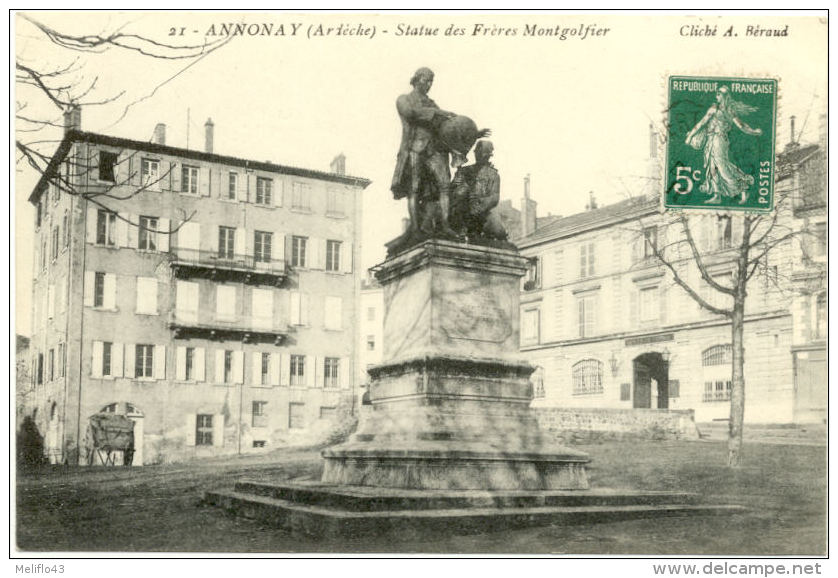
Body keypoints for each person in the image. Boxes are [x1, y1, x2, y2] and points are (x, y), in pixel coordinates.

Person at [391, 67, 487, 239]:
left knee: (444, 185)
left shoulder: (432, 103)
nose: (428, 85)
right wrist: (438, 112)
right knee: (414, 188)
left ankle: (445, 225)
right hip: (415, 148)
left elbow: (448, 129)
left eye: (431, 82)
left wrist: (472, 133)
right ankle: (415, 229)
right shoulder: (404, 99)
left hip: (436, 149)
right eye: (426, 80)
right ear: (416, 79)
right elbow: (411, 114)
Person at [685, 85, 763, 204]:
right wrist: (691, 135)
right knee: (712, 167)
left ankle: (743, 187)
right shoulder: (713, 108)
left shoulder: (729, 111)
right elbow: (702, 123)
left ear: (725, 96)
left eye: (719, 93)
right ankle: (717, 195)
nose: (717, 95)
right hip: (710, 140)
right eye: (717, 93)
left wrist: (754, 132)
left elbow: (741, 126)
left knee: (722, 167)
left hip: (720, 140)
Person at [450, 140, 508, 241]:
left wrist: (480, 207)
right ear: (475, 153)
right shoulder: (464, 171)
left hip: (484, 210)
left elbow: (494, 197)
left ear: (489, 156)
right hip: (464, 206)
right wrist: (461, 187)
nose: (482, 156)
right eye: (479, 153)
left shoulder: (494, 175)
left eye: (485, 154)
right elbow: (453, 190)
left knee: (499, 232)